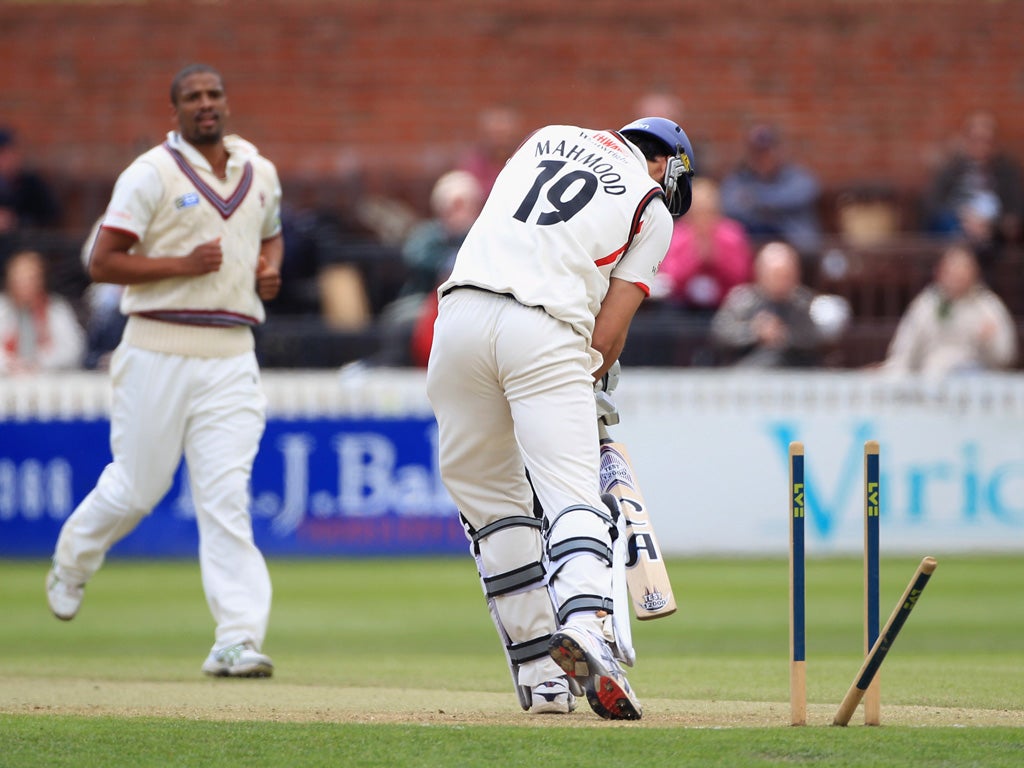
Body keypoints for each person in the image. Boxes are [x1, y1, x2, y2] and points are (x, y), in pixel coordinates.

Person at [426, 117, 695, 720]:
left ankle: (540, 674)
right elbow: (611, 327)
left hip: (459, 318)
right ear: (666, 166)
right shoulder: (654, 207)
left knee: (494, 510)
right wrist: (595, 372)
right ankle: (587, 623)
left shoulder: (546, 136)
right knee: (573, 495)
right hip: (544, 329)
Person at [45, 64, 283, 679]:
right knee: (137, 488)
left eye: (215, 94)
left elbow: (271, 235)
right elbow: (102, 261)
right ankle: (72, 562)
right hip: (157, 346)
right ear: (173, 111)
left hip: (232, 352)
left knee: (226, 499)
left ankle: (236, 638)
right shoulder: (149, 174)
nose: (207, 105)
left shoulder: (260, 171)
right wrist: (182, 263)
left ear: (226, 103)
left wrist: (268, 268)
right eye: (193, 98)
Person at [882, 243, 1017, 376]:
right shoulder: (926, 305)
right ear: (939, 272)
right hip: (931, 380)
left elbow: (1005, 357)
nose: (956, 275)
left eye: (963, 269)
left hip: (976, 382)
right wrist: (891, 373)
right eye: (951, 269)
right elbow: (904, 349)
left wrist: (989, 342)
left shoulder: (988, 307)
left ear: (974, 273)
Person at [923, 110, 1024, 266]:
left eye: (986, 140)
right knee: (948, 228)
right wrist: (963, 217)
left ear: (995, 143)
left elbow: (1016, 212)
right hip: (954, 226)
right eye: (975, 139)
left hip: (992, 232)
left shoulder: (1007, 172)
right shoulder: (950, 168)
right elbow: (932, 203)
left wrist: (990, 226)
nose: (981, 145)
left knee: (988, 240)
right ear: (966, 140)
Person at [709, 240, 824, 367]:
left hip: (796, 373)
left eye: (786, 275)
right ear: (760, 273)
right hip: (747, 373)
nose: (782, 281)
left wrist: (783, 336)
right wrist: (754, 332)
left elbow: (816, 338)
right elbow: (720, 334)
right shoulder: (742, 301)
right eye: (776, 275)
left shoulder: (805, 302)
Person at [653, 177, 754, 317]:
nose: (703, 217)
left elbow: (741, 276)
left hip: (725, 307)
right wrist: (695, 259)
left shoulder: (732, 234)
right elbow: (671, 278)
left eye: (708, 211)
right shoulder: (677, 235)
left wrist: (716, 259)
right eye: (698, 211)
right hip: (682, 309)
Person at [719, 123, 823, 259]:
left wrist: (754, 200)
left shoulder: (797, 176)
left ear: (778, 151)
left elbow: (804, 193)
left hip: (795, 248)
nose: (762, 159)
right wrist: (774, 205)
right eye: (757, 153)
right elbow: (728, 205)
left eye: (767, 152)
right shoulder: (737, 178)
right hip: (751, 249)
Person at [0, 248, 85, 374]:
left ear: (41, 280)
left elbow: (74, 350)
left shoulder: (56, 309)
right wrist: (8, 363)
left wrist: (40, 362)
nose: (25, 285)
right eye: (19, 279)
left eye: (30, 279)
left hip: (47, 380)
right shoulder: (2, 308)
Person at [457, 106, 524, 196]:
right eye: (496, 134)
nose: (500, 140)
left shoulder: (524, 159)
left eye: (504, 134)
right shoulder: (473, 163)